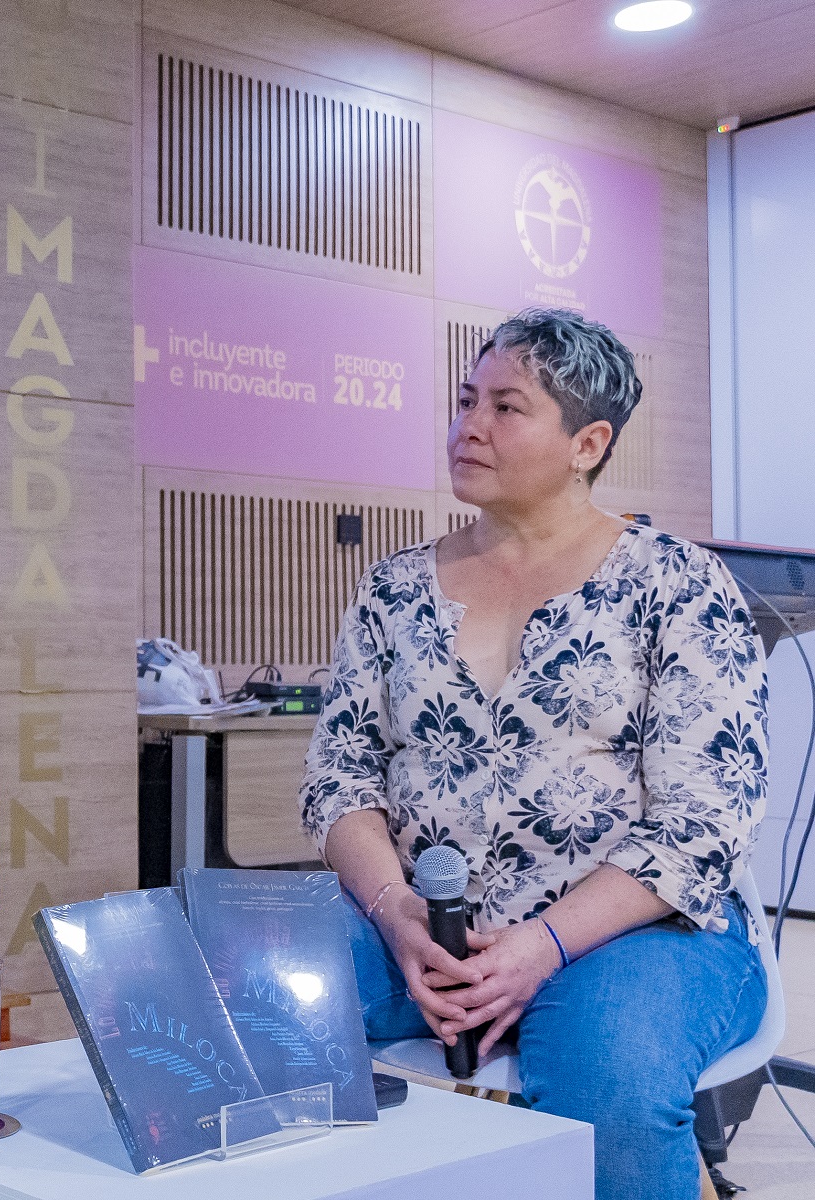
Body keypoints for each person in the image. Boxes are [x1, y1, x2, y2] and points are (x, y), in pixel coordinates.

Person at [301, 308, 768, 1200]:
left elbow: (702, 826)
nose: (468, 426)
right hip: (421, 924)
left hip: (633, 934)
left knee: (612, 1089)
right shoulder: (395, 587)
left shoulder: (677, 584)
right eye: (467, 399)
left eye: (506, 408)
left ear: (587, 442)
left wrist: (544, 944)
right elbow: (340, 778)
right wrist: (397, 913)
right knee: (249, 1007)